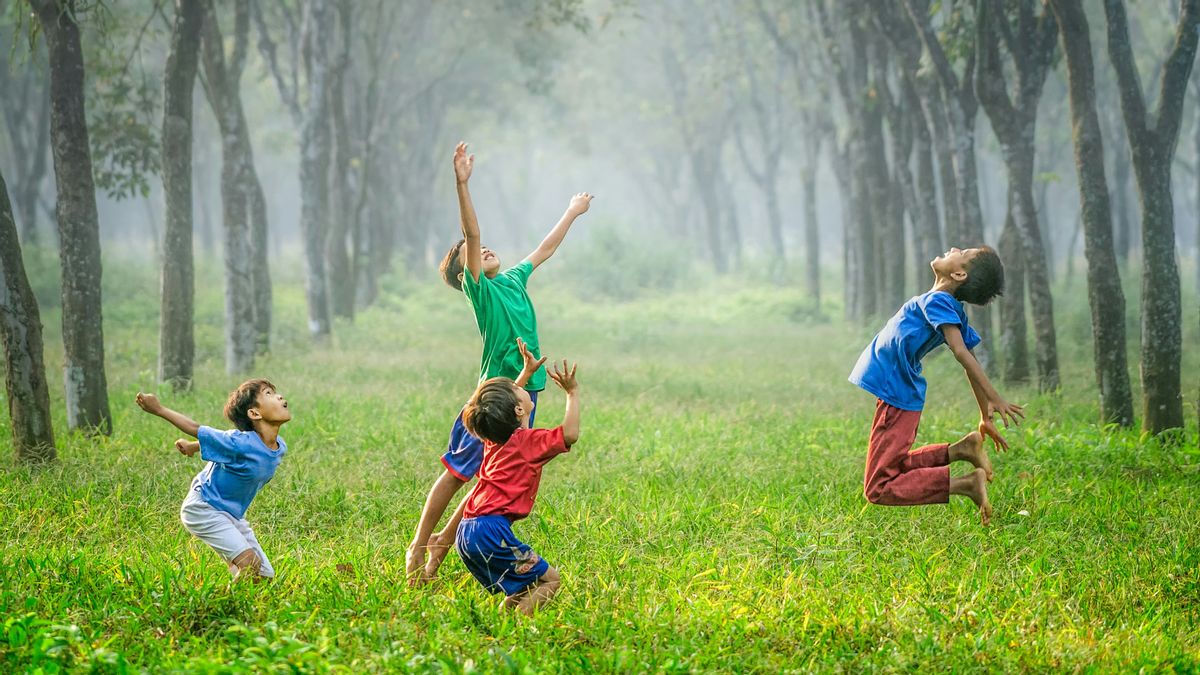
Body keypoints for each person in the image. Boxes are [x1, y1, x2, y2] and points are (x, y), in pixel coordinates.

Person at [405, 141, 592, 583]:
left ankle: (437, 557)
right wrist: (462, 183)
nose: (483, 248)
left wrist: (571, 212)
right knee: (456, 473)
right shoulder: (481, 291)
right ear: (463, 274)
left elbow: (544, 249)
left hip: (526, 393)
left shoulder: (511, 279)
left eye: (486, 247)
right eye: (471, 253)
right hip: (493, 396)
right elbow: (471, 234)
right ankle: (419, 547)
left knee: (490, 480)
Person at [848, 246, 1024, 525]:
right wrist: (984, 414)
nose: (953, 248)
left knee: (878, 487)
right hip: (897, 392)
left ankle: (965, 485)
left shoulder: (940, 301)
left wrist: (994, 398)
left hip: (897, 394)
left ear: (958, 273)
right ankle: (960, 450)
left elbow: (962, 352)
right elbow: (970, 356)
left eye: (962, 252)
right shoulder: (945, 304)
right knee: (893, 467)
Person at [456, 345, 580, 615]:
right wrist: (572, 393)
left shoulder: (494, 438)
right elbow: (569, 434)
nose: (519, 386)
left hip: (467, 532)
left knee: (524, 585)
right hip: (491, 533)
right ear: (518, 411)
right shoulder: (528, 443)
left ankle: (502, 622)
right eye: (517, 389)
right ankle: (517, 629)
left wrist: (524, 374)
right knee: (551, 580)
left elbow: (501, 408)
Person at [135, 380, 290, 579]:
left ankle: (239, 587)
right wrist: (158, 409)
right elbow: (195, 427)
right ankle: (220, 605)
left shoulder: (279, 447)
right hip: (204, 508)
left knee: (263, 576)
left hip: (232, 515)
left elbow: (224, 445)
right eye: (268, 393)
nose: (279, 396)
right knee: (250, 565)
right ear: (254, 413)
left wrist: (193, 446)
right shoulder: (239, 442)